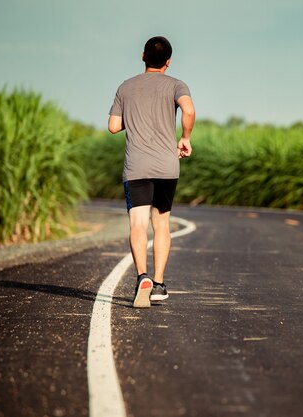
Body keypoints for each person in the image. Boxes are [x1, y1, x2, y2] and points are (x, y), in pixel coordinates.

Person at [108, 36, 195, 308]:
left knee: (138, 224)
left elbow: (113, 126)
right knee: (161, 224)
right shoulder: (176, 85)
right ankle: (158, 283)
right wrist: (186, 137)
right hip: (167, 166)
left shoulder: (126, 87)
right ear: (168, 62)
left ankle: (141, 276)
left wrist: (132, 119)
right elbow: (189, 110)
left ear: (143, 56)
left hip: (136, 167)